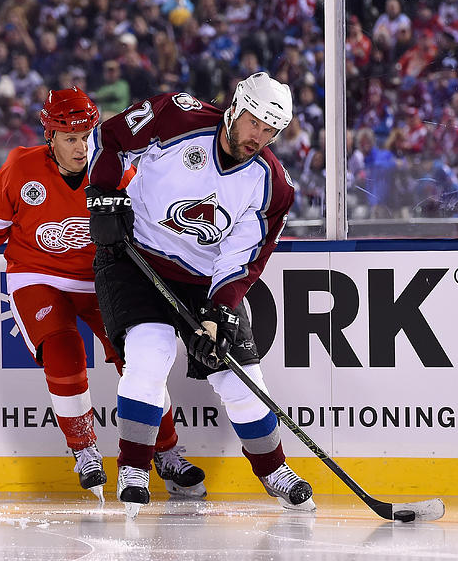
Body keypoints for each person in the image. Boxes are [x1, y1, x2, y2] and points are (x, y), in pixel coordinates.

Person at [0, 87, 206, 501]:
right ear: (49, 137)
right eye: (70, 138)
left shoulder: (115, 168)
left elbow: (152, 225)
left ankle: (167, 451)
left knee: (139, 359)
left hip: (103, 277)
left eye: (86, 136)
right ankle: (85, 450)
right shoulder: (20, 168)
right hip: (37, 274)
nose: (81, 146)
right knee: (63, 352)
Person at [86, 72, 316, 515]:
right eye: (254, 123)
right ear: (236, 106)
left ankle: (273, 470)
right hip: (136, 257)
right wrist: (103, 194)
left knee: (240, 377)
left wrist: (219, 311)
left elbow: (244, 257)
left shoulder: (274, 186)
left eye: (271, 130)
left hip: (202, 279)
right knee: (149, 355)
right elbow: (110, 139)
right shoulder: (177, 116)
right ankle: (134, 467)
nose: (259, 136)